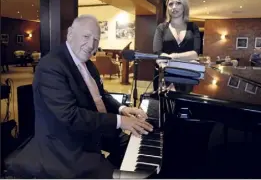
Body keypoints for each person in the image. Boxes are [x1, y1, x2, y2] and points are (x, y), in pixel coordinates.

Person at [6, 15, 153, 178]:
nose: (91, 45)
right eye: (86, 36)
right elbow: (71, 116)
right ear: (70, 34)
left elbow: (101, 94)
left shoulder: (88, 64)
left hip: (92, 130)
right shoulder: (51, 66)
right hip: (66, 147)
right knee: (114, 173)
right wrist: (120, 121)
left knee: (138, 146)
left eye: (96, 39)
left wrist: (122, 109)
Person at [152, 0, 201, 91]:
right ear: (168, 8)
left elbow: (195, 53)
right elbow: (158, 54)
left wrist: (172, 56)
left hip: (186, 77)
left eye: (178, 3)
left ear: (184, 6)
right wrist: (183, 57)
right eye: (171, 4)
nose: (174, 7)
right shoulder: (161, 28)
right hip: (164, 76)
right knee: (164, 105)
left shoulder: (193, 27)